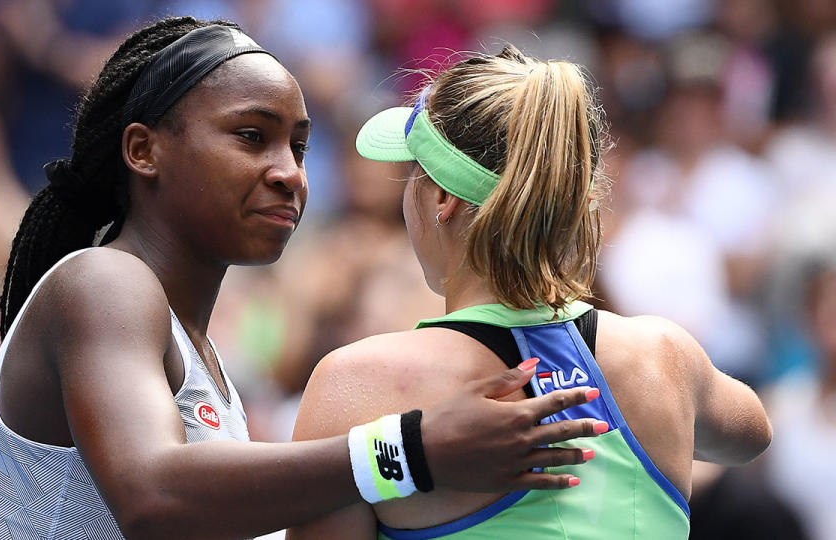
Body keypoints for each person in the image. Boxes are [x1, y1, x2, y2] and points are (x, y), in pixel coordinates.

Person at [0, 18, 610, 540]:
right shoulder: (102, 282)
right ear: (143, 151)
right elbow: (154, 498)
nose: (289, 174)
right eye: (251, 136)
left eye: (298, 148)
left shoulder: (193, 345)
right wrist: (413, 449)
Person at [287, 47, 772, 539]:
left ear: (441, 197)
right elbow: (752, 436)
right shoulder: (665, 357)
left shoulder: (355, 384)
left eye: (412, 172)